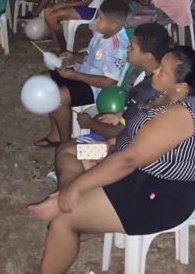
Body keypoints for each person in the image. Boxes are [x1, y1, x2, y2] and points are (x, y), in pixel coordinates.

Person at [30, 46, 195, 274]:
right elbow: (135, 133)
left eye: (163, 71)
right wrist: (109, 145)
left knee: (63, 220)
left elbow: (128, 160)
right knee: (69, 152)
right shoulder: (165, 95)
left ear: (181, 86)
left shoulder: (182, 114)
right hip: (131, 166)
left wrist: (76, 187)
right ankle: (76, 205)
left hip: (156, 195)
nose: (156, 71)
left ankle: (72, 208)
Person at [52, 23, 170, 188]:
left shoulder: (150, 92)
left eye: (132, 47)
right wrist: (120, 114)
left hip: (125, 157)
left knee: (66, 154)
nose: (127, 48)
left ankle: (68, 195)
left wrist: (89, 123)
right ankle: (76, 186)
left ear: (148, 56)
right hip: (122, 146)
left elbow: (122, 132)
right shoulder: (153, 79)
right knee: (68, 150)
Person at [35, 0, 129, 148]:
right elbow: (90, 56)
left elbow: (108, 82)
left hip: (96, 88)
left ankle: (65, 145)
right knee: (45, 80)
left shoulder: (117, 47)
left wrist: (74, 76)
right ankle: (55, 135)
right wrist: (74, 57)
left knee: (58, 98)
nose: (96, 21)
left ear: (113, 25)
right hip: (82, 74)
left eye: (100, 19)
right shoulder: (102, 33)